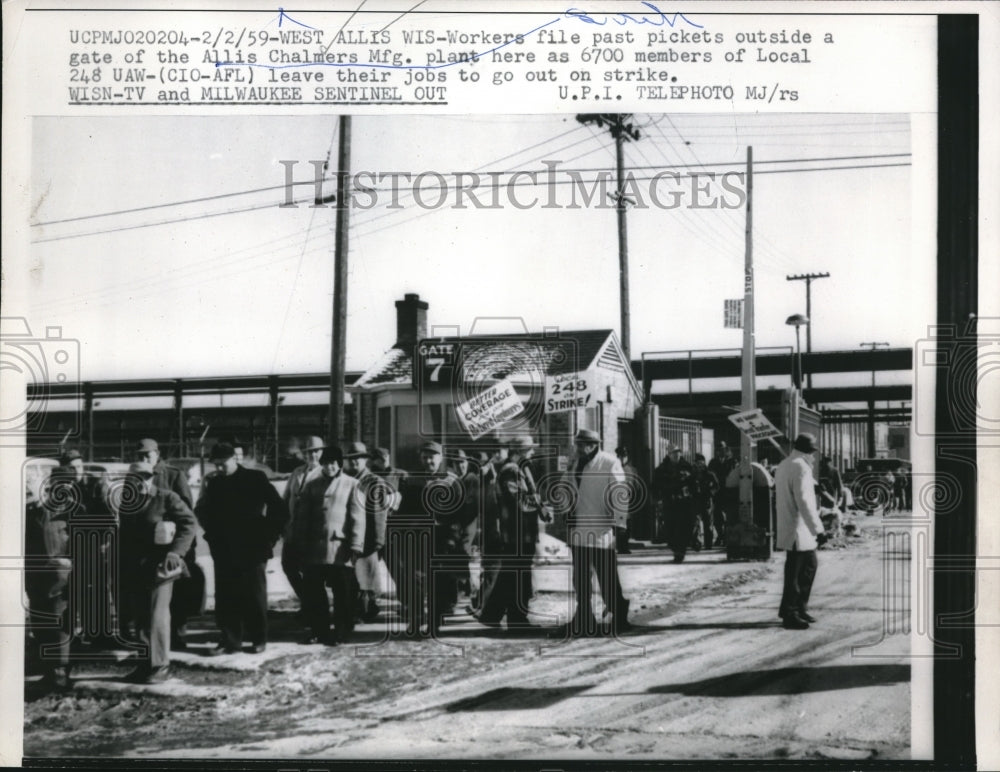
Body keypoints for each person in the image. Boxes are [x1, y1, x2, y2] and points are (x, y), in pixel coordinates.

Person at [195, 443, 288, 655]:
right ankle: (230, 640)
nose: (219, 468)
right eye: (216, 465)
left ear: (234, 459)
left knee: (254, 595)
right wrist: (212, 535)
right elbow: (206, 512)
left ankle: (258, 638)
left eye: (222, 464)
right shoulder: (216, 484)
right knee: (226, 596)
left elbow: (279, 508)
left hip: (253, 548)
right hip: (225, 549)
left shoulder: (256, 478)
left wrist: (269, 536)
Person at [115, 462, 197, 683]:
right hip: (135, 567)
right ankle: (144, 664)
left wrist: (176, 553)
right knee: (141, 618)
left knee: (157, 616)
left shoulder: (166, 497)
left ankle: (160, 665)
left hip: (160, 568)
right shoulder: (127, 502)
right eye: (135, 477)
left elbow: (189, 523)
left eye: (145, 476)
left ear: (152, 477)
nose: (141, 481)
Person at [475, 436, 549, 630]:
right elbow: (520, 502)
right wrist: (540, 505)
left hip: (520, 533)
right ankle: (516, 619)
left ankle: (492, 615)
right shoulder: (511, 471)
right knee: (518, 576)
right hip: (516, 535)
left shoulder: (520, 470)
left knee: (510, 576)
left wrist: (539, 505)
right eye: (529, 450)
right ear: (520, 452)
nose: (532, 454)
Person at [292, 446, 365, 645]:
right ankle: (319, 630)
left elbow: (357, 517)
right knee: (314, 592)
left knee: (342, 592)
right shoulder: (311, 485)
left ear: (339, 464)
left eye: (333, 463)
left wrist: (356, 544)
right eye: (326, 463)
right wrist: (300, 542)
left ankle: (341, 631)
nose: (329, 467)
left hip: (339, 548)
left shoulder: (353, 485)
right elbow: (302, 518)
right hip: (314, 548)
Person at [560, 429, 630, 636]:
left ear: (593, 445)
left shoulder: (609, 462)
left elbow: (619, 491)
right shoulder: (575, 463)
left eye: (582, 445)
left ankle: (619, 615)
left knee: (607, 578)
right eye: (578, 444)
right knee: (580, 579)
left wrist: (620, 523)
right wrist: (566, 510)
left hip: (601, 531)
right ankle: (583, 617)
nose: (579, 448)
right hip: (579, 529)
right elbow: (564, 487)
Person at [135, 438, 200, 652]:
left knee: (178, 595)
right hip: (148, 551)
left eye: (148, 454)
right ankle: (154, 646)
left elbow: (187, 513)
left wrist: (181, 550)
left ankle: (178, 636)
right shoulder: (134, 479)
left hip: (172, 548)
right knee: (150, 604)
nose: (145, 458)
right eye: (141, 455)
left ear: (157, 453)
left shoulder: (173, 475)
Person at [388, 441, 451, 636]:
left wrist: (453, 538)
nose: (429, 461)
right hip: (416, 540)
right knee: (415, 583)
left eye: (432, 457)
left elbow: (458, 514)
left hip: (441, 542)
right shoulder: (412, 480)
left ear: (440, 458)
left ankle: (434, 623)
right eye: (425, 457)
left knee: (437, 583)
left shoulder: (450, 481)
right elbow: (403, 512)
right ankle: (415, 621)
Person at [25, 465, 76, 692]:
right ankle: (48, 670)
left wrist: (72, 561)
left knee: (59, 623)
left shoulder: (71, 510)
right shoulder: (29, 513)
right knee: (41, 622)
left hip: (61, 577)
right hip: (36, 577)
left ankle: (60, 671)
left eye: (31, 486)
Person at [343, 441, 398, 624]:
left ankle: (366, 609)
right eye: (350, 459)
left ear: (365, 460)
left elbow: (378, 516)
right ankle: (355, 609)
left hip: (367, 538)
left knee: (366, 577)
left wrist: (376, 543)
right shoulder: (344, 480)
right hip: (348, 536)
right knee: (352, 576)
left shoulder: (373, 481)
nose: (354, 463)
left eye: (358, 459)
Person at [775, 433, 826, 630]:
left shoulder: (785, 464)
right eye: (812, 452)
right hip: (799, 528)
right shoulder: (801, 467)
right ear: (808, 451)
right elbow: (804, 502)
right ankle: (791, 613)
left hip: (792, 525)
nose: (813, 456)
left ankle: (797, 607)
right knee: (796, 574)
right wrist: (818, 530)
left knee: (808, 566)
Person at [281, 435, 326, 608]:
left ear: (321, 452)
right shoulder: (297, 472)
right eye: (308, 452)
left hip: (311, 534)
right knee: (288, 566)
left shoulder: (325, 473)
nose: (312, 456)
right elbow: (286, 499)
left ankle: (314, 609)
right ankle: (308, 602)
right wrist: (283, 525)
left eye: (316, 452)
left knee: (310, 573)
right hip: (292, 531)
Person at [654, 444, 696, 563]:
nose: (677, 454)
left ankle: (680, 552)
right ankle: (675, 548)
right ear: (669, 454)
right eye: (673, 452)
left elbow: (694, 484)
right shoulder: (661, 469)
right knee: (670, 529)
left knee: (683, 528)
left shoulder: (687, 467)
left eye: (678, 452)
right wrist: (657, 499)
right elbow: (655, 486)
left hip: (684, 503)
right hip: (669, 503)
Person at [449, 449, 481, 598]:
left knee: (463, 551)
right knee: (458, 553)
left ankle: (469, 587)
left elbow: (470, 504)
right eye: (456, 463)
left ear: (467, 463)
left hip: (469, 521)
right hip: (458, 523)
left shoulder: (471, 479)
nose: (460, 466)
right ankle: (466, 587)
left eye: (462, 462)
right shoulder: (456, 480)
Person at [708, 442, 737, 546]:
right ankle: (720, 536)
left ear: (726, 449)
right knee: (717, 516)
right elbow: (709, 475)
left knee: (729, 515)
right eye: (719, 449)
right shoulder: (713, 462)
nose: (721, 451)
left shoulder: (732, 461)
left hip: (729, 492)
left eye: (723, 449)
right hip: (718, 493)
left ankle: (727, 537)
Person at [614, 447, 640, 554]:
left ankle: (625, 546)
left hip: (629, 501)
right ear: (617, 457)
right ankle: (621, 547)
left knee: (628, 524)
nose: (623, 459)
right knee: (620, 525)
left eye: (625, 456)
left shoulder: (632, 470)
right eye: (621, 456)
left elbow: (637, 486)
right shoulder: (613, 469)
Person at [692, 454, 720, 550]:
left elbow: (716, 486)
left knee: (708, 524)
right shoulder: (692, 474)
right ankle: (697, 543)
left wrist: (711, 493)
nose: (699, 465)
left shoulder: (710, 474)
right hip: (695, 501)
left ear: (704, 463)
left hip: (707, 501)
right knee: (695, 523)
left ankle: (708, 544)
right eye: (697, 463)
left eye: (701, 462)